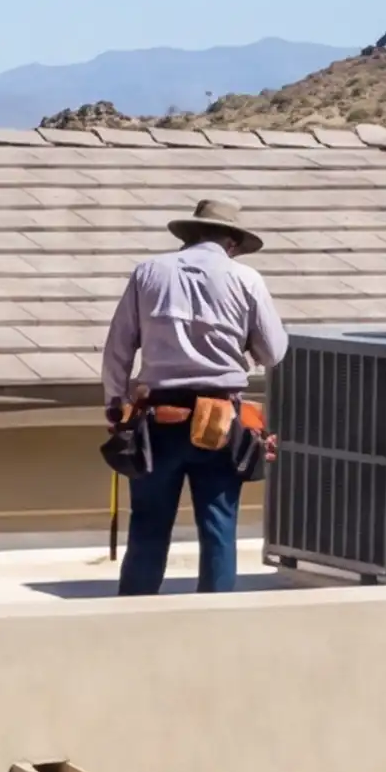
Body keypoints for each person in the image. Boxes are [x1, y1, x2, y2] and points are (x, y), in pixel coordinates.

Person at [102, 196, 287, 594]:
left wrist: (115, 404)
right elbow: (273, 352)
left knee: (148, 524)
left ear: (188, 236)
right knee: (218, 526)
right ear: (232, 243)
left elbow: (118, 346)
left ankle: (133, 617)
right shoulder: (246, 279)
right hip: (219, 421)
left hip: (157, 418)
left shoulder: (148, 272)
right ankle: (217, 624)